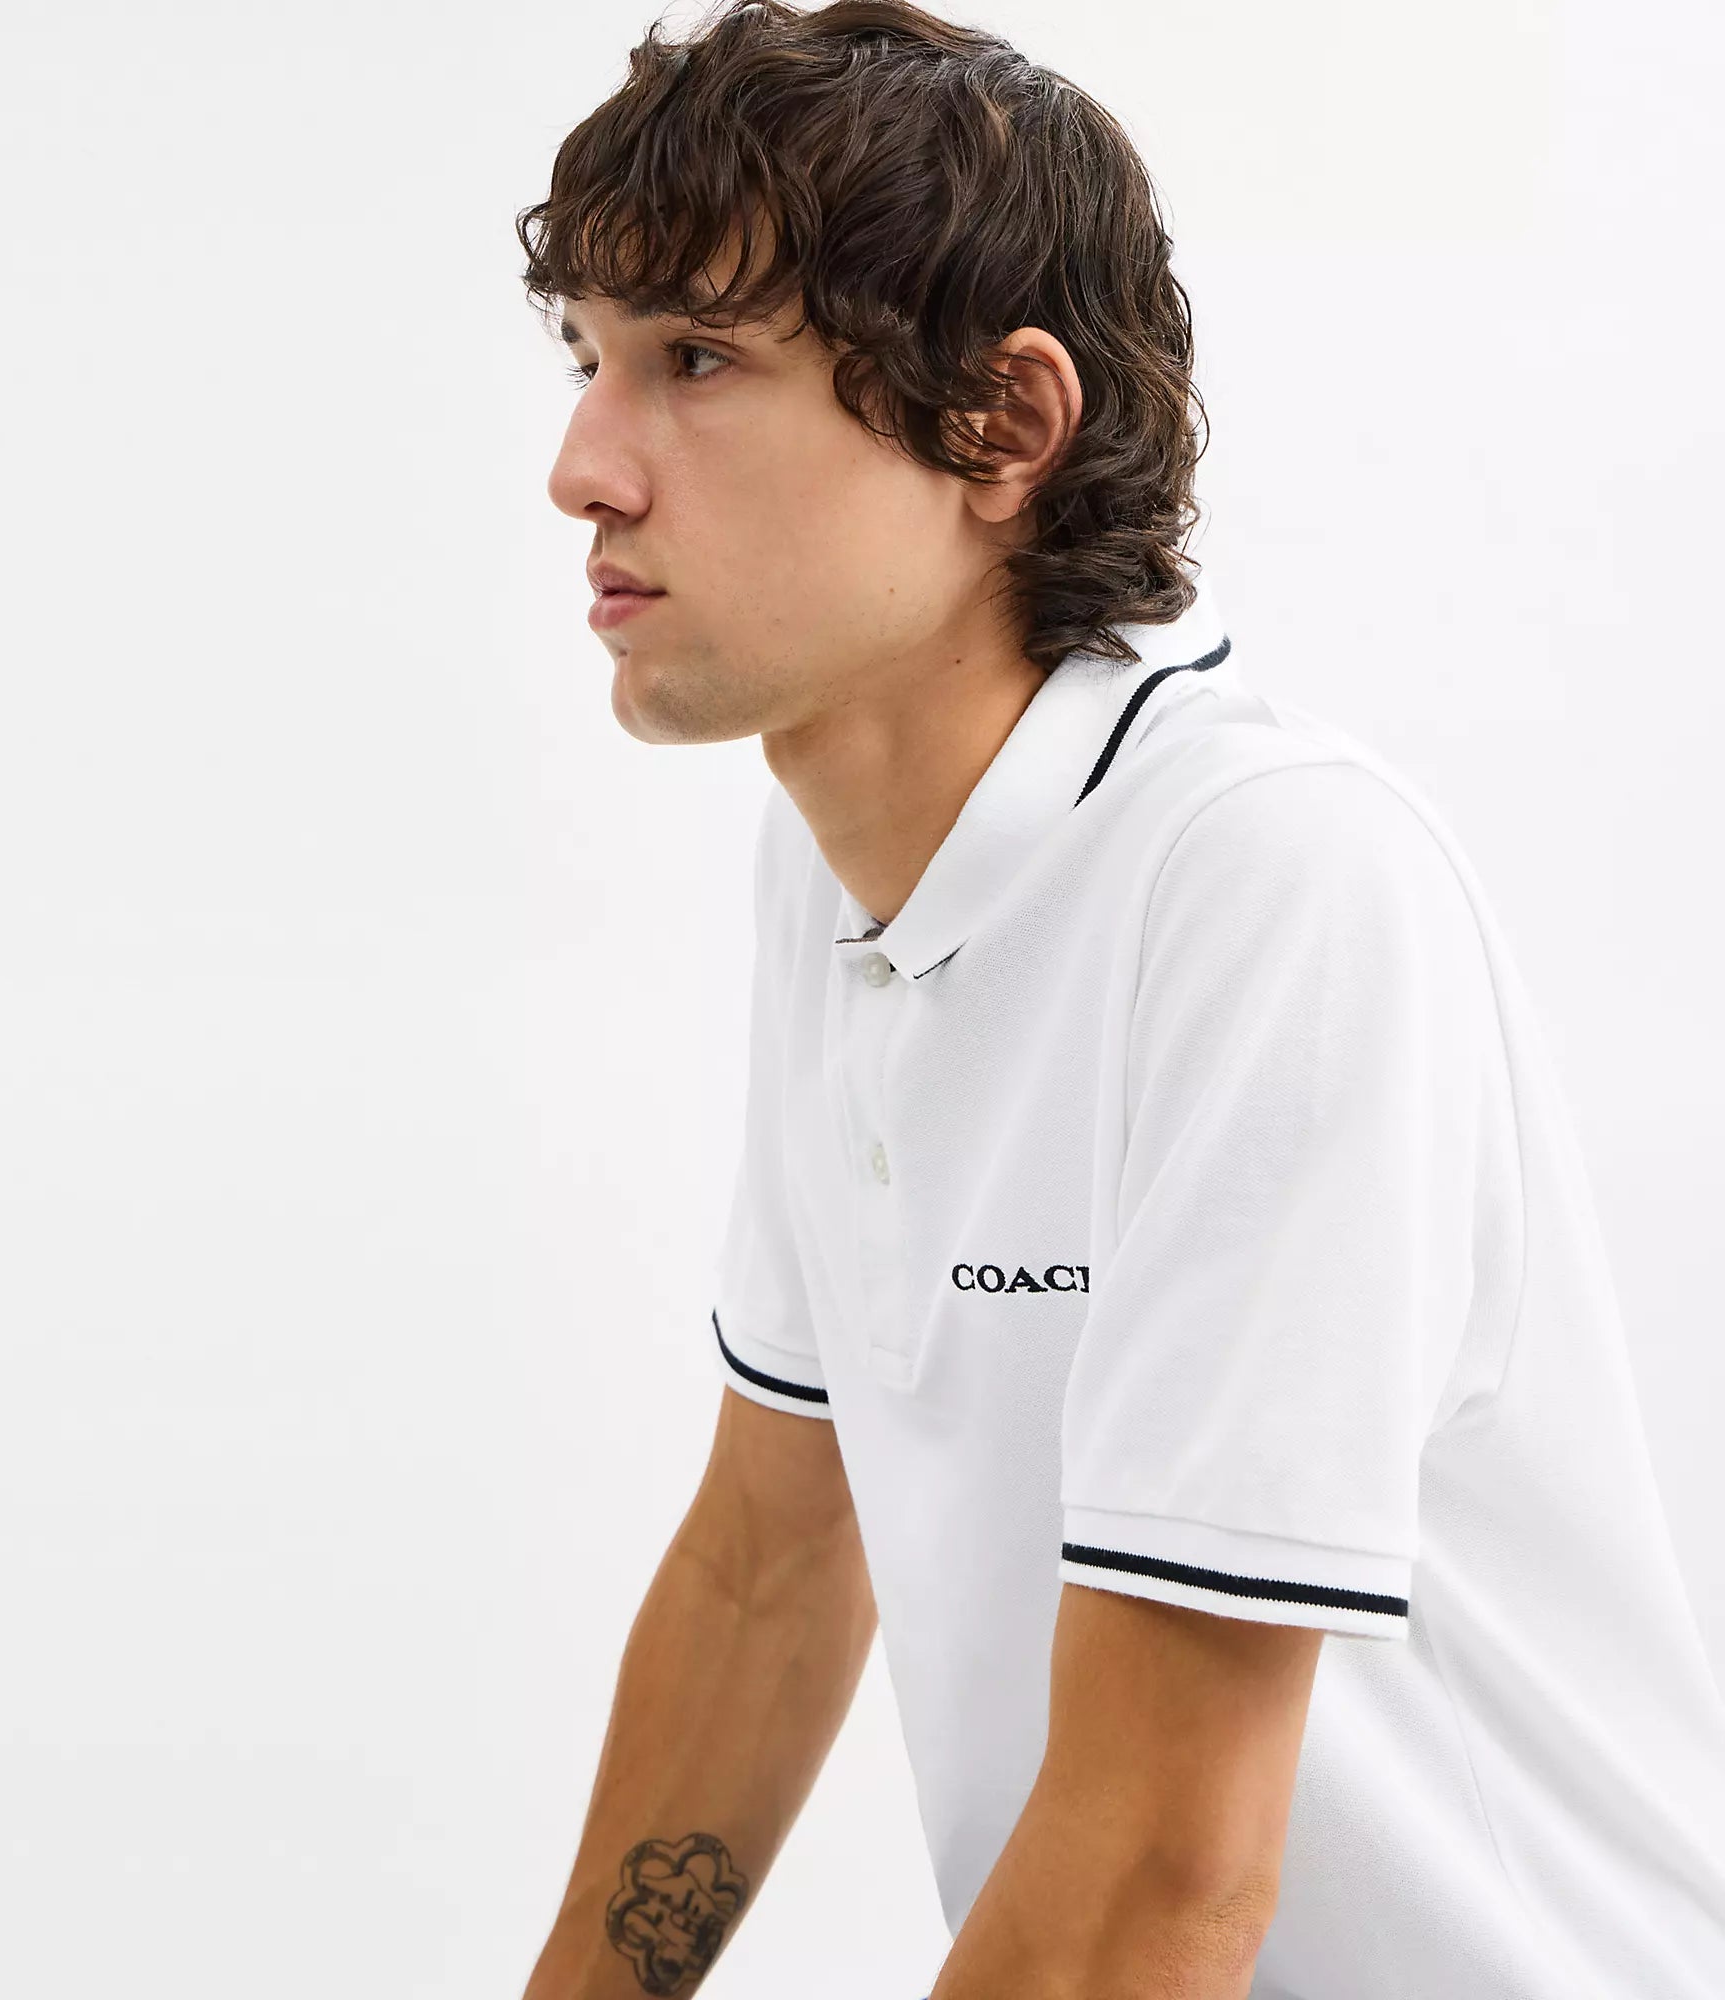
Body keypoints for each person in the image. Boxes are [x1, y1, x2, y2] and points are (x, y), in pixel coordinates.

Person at [513, 3, 1725, 1995]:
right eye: (588, 362)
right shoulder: (834, 865)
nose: (582, 469)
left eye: (696, 361)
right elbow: (770, 1554)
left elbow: (1165, 1869)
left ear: (1002, 424)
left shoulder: (1270, 889)